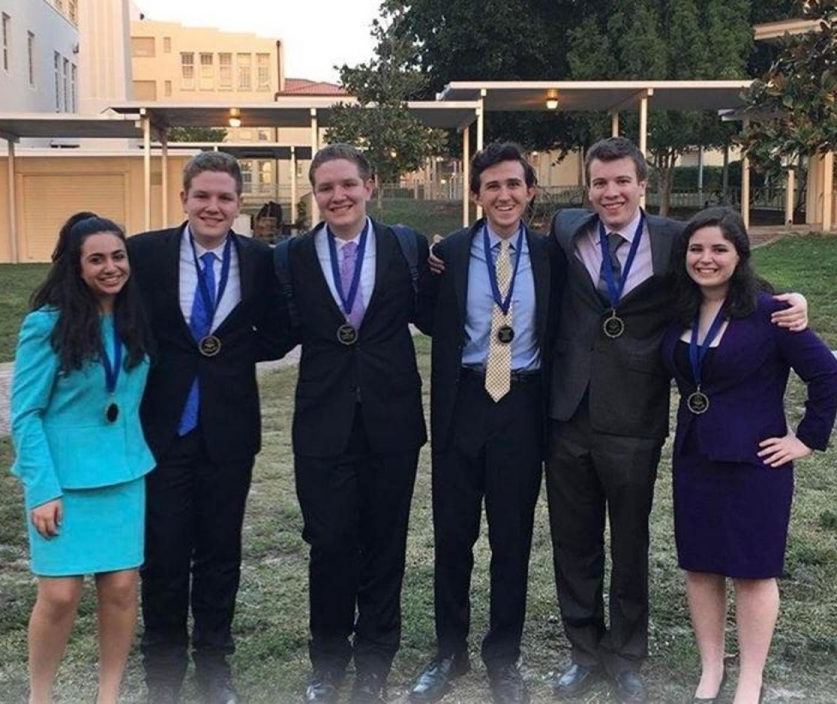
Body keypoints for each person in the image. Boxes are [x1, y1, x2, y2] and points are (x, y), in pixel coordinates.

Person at [546, 137, 809, 704]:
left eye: (622, 181)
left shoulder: (673, 241)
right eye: (600, 183)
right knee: (573, 540)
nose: (611, 192)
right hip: (568, 410)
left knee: (631, 539)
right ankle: (583, 649)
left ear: (643, 184)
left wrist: (789, 300)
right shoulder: (567, 230)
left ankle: (628, 652)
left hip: (636, 412)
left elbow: (727, 272)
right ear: (586, 189)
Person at [661, 207, 837, 704]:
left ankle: (750, 678)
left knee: (752, 570)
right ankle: (711, 668)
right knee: (700, 567)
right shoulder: (679, 309)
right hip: (695, 457)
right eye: (696, 249)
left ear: (740, 256)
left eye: (719, 249)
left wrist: (805, 439)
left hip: (755, 464)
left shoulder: (770, 310)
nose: (706, 259)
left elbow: (828, 375)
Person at [127, 151, 288, 704]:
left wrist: (233, 354)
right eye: (202, 196)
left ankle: (215, 663)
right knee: (164, 553)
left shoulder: (260, 260)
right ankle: (164, 672)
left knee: (220, 551)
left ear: (238, 204)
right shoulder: (145, 254)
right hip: (163, 429)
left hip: (229, 429)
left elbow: (281, 330)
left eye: (224, 198)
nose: (213, 207)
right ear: (184, 200)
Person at [274, 143, 428, 704]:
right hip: (323, 423)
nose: (337, 196)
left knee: (386, 543)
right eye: (325, 188)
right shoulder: (291, 255)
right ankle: (328, 660)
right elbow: (271, 327)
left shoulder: (404, 246)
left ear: (370, 186)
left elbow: (437, 312)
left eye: (347, 184)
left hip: (391, 421)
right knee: (330, 542)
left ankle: (375, 660)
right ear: (315, 195)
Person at [409, 143, 562, 704]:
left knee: (512, 539)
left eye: (513, 185)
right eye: (492, 186)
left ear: (530, 192)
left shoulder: (552, 256)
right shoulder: (447, 252)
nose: (503, 195)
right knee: (453, 538)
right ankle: (449, 652)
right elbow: (425, 315)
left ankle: (504, 656)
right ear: (476, 195)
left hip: (522, 406)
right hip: (462, 403)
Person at [10, 213, 155, 704]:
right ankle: (40, 696)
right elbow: (25, 414)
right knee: (59, 596)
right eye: (96, 259)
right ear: (76, 267)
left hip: (124, 472)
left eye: (118, 256)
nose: (110, 267)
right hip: (63, 481)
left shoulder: (134, 317)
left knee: (120, 590)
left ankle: (108, 696)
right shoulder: (46, 325)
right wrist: (41, 488)